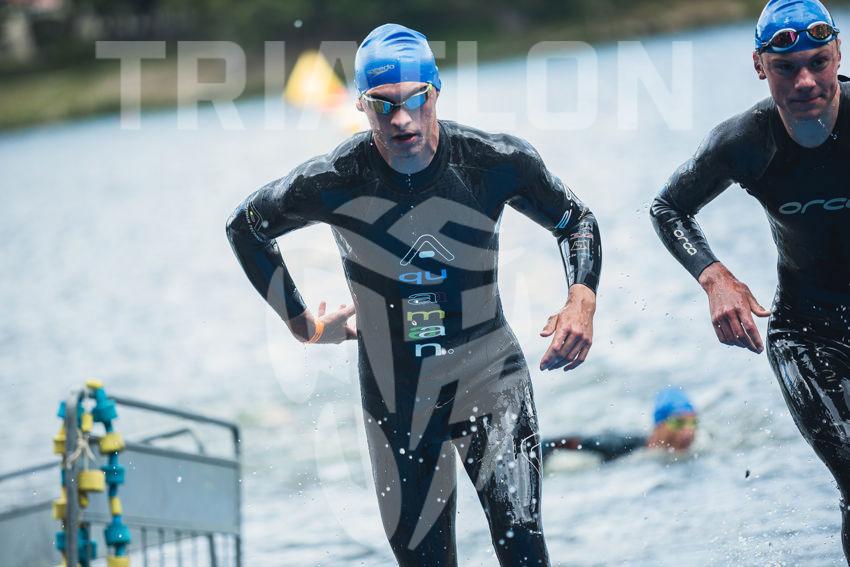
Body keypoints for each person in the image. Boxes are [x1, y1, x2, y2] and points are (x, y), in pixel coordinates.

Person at [226, 24, 602, 567]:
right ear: (361, 105)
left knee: (522, 547)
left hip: (489, 379)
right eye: (383, 105)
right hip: (397, 400)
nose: (401, 119)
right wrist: (303, 324)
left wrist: (581, 298)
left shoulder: (494, 161)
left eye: (414, 100)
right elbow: (245, 227)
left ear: (436, 92)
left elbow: (576, 221)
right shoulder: (336, 179)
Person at [650, 0, 850, 561]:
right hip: (807, 332)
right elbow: (668, 208)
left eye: (818, 62)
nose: (805, 82)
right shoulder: (744, 142)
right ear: (761, 67)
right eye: (786, 67)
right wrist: (715, 277)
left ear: (838, 55)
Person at [541, 387, 698, 464]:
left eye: (693, 422)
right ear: (659, 425)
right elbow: (562, 442)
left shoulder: (699, 449)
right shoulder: (620, 445)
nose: (688, 431)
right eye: (678, 423)